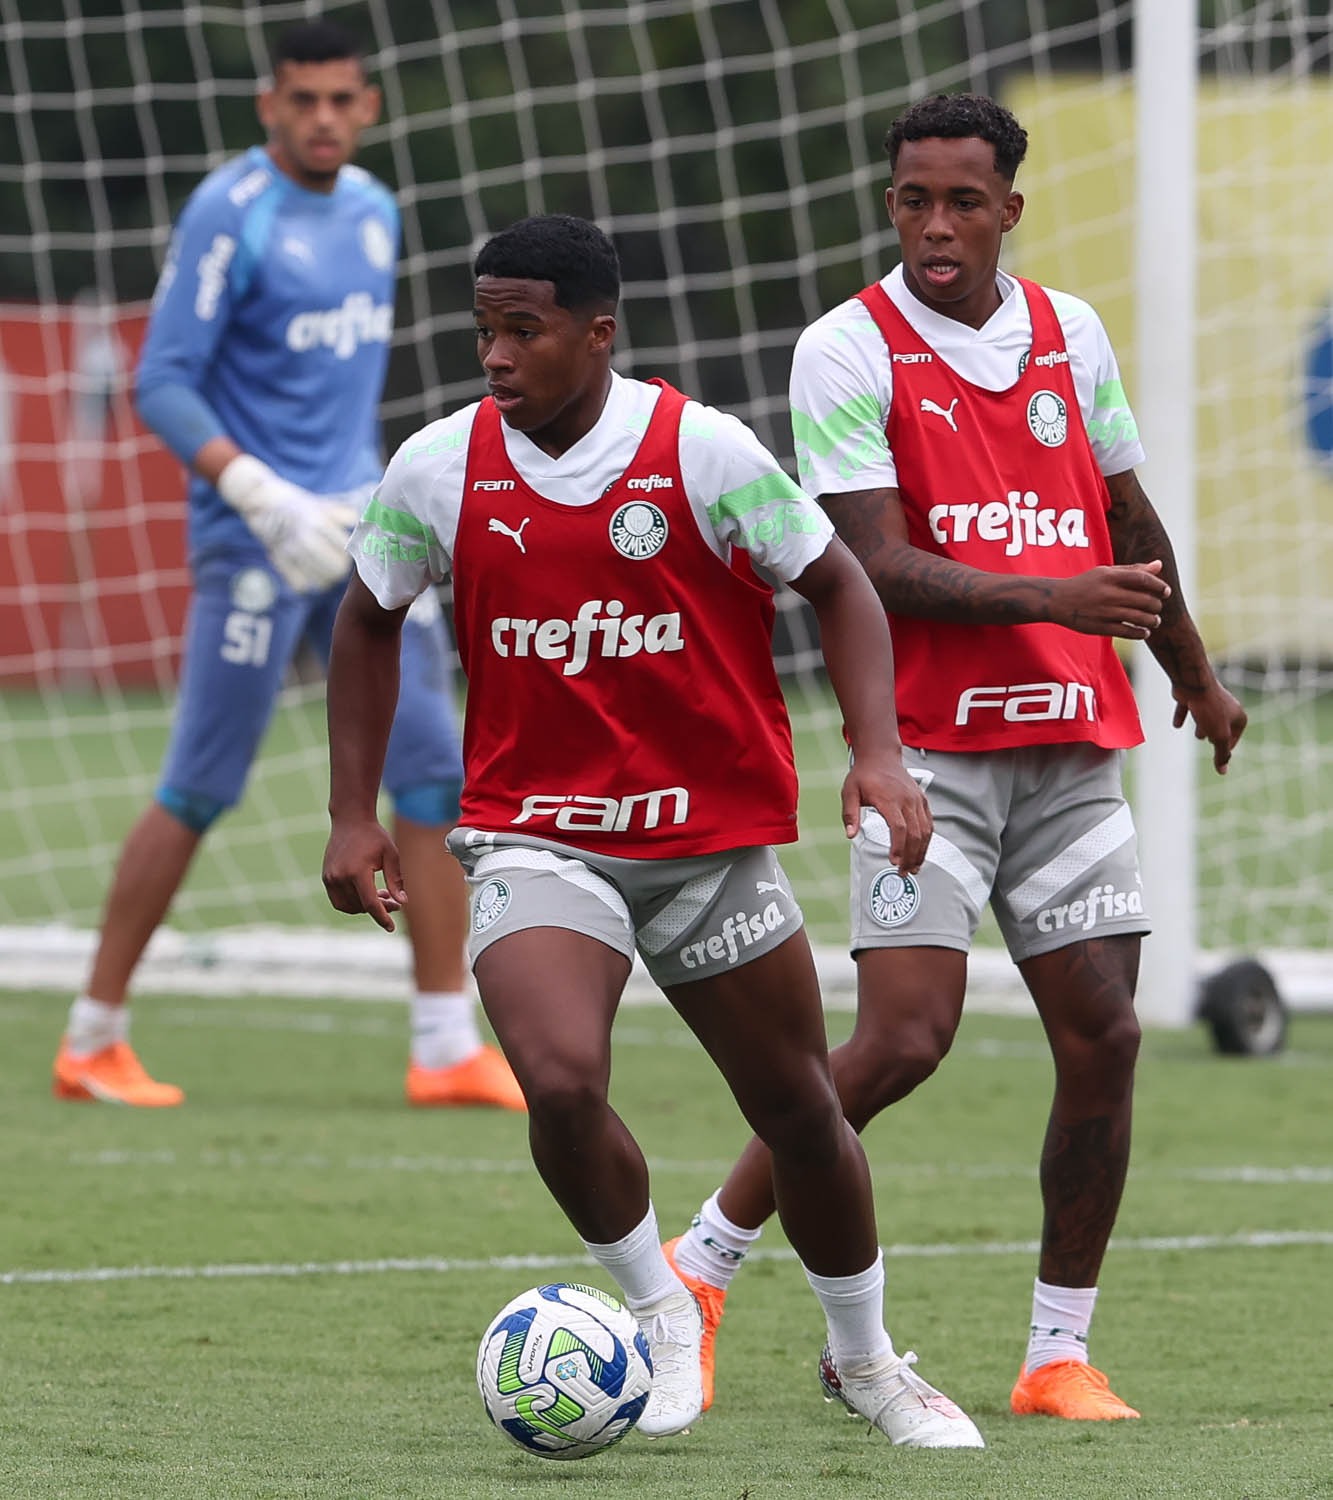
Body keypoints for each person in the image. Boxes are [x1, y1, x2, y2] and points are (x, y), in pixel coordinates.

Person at [322, 212, 986, 1447]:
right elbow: (366, 618)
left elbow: (839, 581)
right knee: (561, 1080)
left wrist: (878, 752)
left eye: (524, 331)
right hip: (536, 835)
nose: (498, 357)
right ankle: (656, 1307)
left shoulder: (702, 451)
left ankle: (868, 1363)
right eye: (484, 332)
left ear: (598, 333)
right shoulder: (438, 465)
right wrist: (351, 814)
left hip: (706, 842)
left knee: (800, 1110)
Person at [666, 92, 1248, 1423]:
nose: (935, 227)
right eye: (912, 201)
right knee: (904, 1040)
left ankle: (1055, 1355)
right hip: (922, 756)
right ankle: (702, 1266)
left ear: (1009, 210)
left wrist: (1197, 677)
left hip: (1070, 754)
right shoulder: (846, 347)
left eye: (962, 202)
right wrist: (1053, 598)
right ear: (891, 206)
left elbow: (1123, 510)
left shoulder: (1068, 333)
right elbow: (870, 563)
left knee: (1102, 1036)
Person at [51, 18, 521, 1114]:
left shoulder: (374, 209)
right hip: (255, 539)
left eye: (340, 100)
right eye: (301, 99)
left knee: (434, 775)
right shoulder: (232, 209)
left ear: (368, 108)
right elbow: (162, 380)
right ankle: (92, 1035)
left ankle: (445, 1042)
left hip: (361, 531)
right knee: (203, 781)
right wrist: (259, 493)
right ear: (271, 105)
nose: (321, 118)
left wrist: (358, 503)